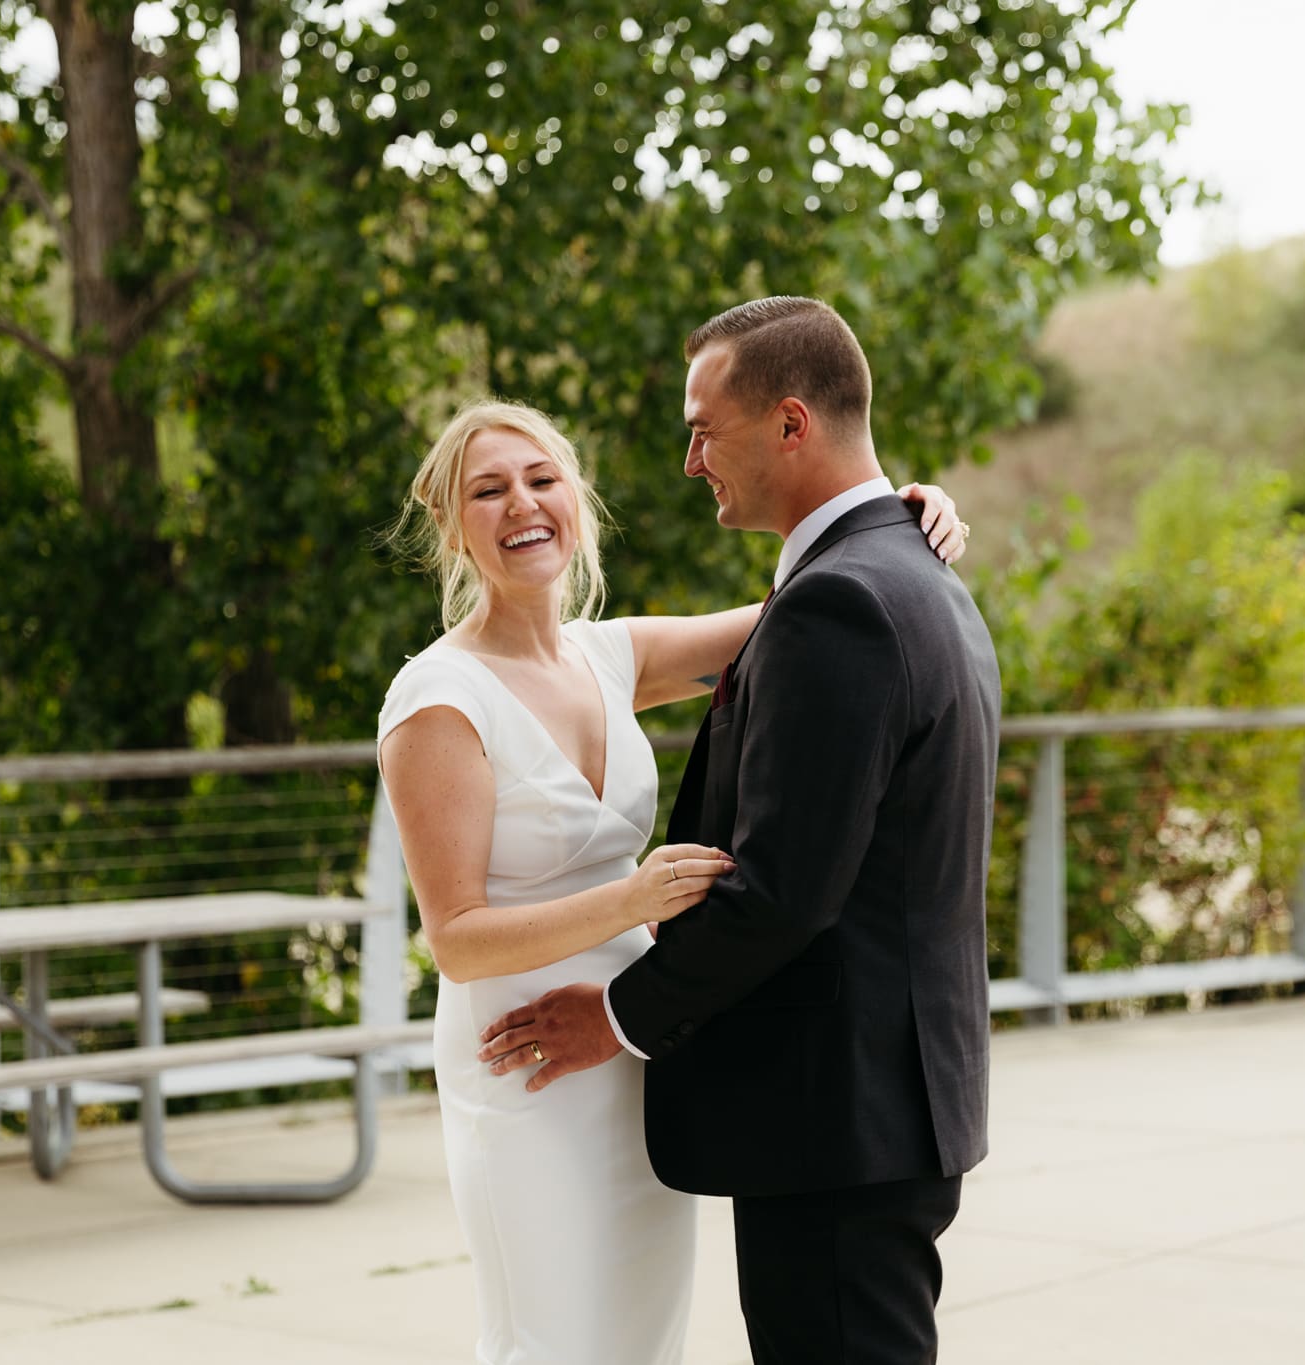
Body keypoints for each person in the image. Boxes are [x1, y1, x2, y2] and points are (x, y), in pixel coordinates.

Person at [375, 396, 968, 1364]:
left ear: (575, 499)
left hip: (634, 1052)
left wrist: (901, 513)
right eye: (486, 490)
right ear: (449, 524)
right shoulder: (438, 699)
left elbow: (821, 602)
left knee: (639, 1341)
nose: (520, 504)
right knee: (553, 1340)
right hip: (524, 1059)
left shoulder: (608, 656)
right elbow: (453, 937)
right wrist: (632, 901)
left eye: (540, 480)